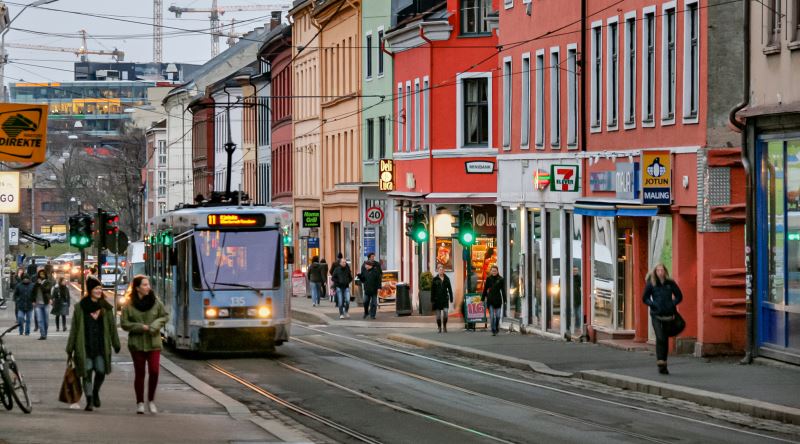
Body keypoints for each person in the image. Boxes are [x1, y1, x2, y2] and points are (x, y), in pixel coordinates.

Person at [66, 276, 121, 411]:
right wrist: (70, 348)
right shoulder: (80, 308)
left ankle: (95, 392)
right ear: (90, 290)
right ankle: (89, 399)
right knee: (87, 373)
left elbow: (112, 327)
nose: (99, 291)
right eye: (96, 288)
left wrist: (116, 343)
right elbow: (74, 328)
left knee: (101, 371)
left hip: (101, 347)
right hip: (84, 346)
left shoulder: (106, 308)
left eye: (100, 288)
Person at [121, 275, 169, 415]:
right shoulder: (129, 304)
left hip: (154, 342)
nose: (148, 287)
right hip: (137, 344)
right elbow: (124, 324)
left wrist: (154, 325)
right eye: (145, 285)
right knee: (140, 373)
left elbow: (165, 316)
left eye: (148, 284)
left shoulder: (156, 302)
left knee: (154, 371)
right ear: (137, 288)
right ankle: (140, 402)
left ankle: (151, 400)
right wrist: (140, 327)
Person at [642, 263, 684, 375]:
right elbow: (645, 298)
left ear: (665, 271)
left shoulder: (670, 283)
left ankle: (663, 364)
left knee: (664, 339)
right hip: (656, 315)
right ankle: (660, 362)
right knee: (660, 338)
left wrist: (672, 303)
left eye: (662, 270)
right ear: (655, 272)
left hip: (668, 315)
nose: (660, 272)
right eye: (658, 270)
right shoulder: (651, 283)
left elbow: (679, 296)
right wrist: (652, 304)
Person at [481, 265, 506, 336]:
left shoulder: (501, 279)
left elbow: (503, 290)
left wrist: (505, 300)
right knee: (492, 316)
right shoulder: (488, 279)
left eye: (495, 271)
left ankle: (496, 326)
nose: (494, 272)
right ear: (491, 271)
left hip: (498, 300)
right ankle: (493, 330)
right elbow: (485, 289)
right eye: (492, 271)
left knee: (498, 316)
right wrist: (482, 299)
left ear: (497, 271)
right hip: (490, 300)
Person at [431, 264, 454, 333]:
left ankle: (444, 326)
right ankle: (439, 327)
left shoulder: (447, 279)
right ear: (438, 270)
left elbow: (450, 289)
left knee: (446, 313)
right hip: (437, 300)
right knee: (438, 316)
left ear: (444, 270)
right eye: (439, 270)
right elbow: (432, 290)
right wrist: (432, 300)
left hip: (444, 299)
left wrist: (451, 298)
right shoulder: (435, 280)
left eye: (442, 270)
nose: (441, 271)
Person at [32, 269, 54, 339]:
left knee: (46, 321)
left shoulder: (48, 282)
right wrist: (33, 301)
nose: (41, 276)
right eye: (40, 274)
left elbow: (46, 290)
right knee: (40, 320)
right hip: (38, 304)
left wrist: (41, 284)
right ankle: (43, 335)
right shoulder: (36, 283)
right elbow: (33, 292)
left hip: (45, 303)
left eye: (43, 274)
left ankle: (45, 333)